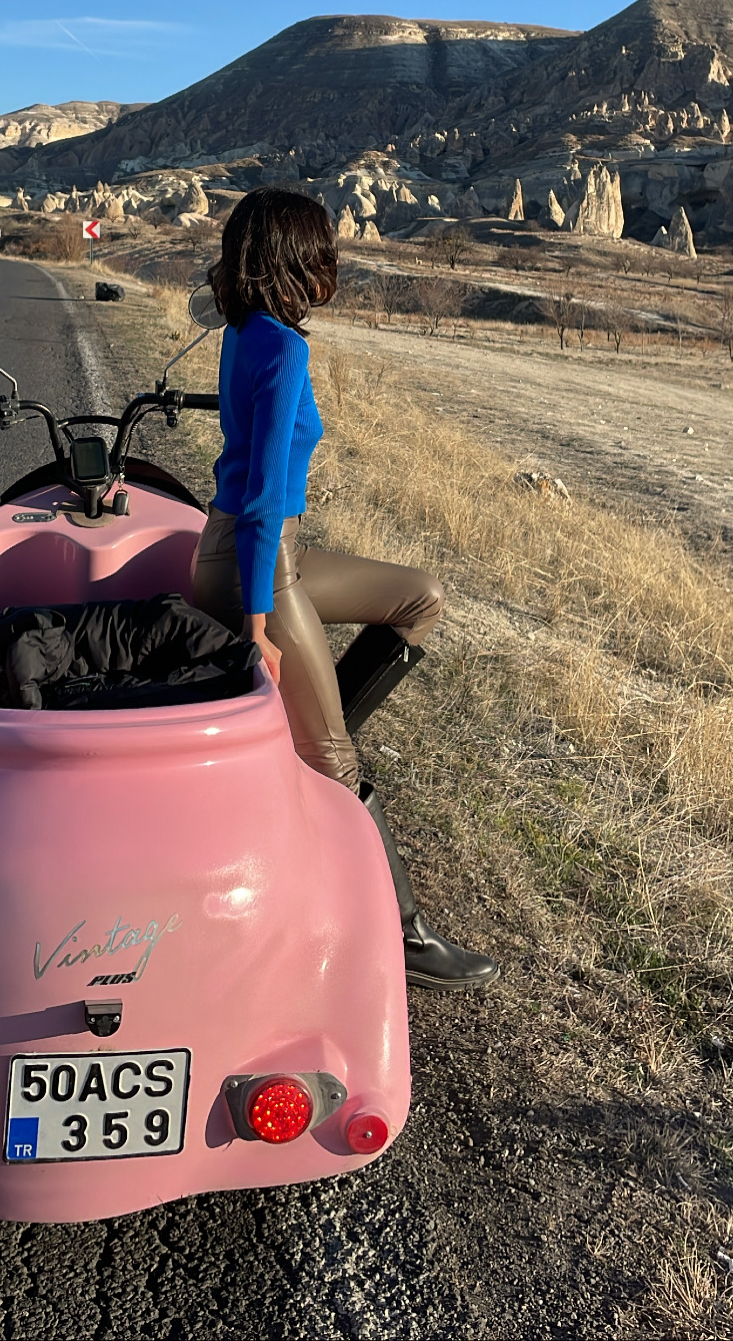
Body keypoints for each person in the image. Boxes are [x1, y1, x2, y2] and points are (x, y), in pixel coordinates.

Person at [191, 186, 498, 992]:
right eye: (324, 247)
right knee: (337, 755)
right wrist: (258, 624)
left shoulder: (246, 332)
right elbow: (259, 496)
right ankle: (401, 935)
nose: (335, 260)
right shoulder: (283, 350)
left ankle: (291, 752)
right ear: (298, 257)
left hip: (251, 548)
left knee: (420, 596)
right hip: (256, 558)